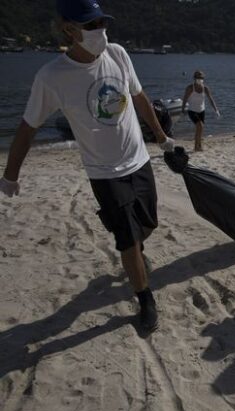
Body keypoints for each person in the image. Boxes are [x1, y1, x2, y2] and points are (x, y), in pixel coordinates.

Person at [0, 0, 175, 331]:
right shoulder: (52, 76)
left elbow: (139, 97)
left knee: (147, 226)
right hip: (104, 173)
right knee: (127, 239)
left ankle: (137, 251)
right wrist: (10, 175)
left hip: (138, 160)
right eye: (91, 25)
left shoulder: (119, 55)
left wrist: (163, 139)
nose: (100, 31)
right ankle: (145, 297)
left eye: (101, 23)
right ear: (69, 29)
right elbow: (27, 127)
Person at [181, 70, 220, 152]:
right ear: (194, 78)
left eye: (201, 77)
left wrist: (216, 110)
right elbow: (185, 99)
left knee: (200, 129)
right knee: (200, 126)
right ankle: (196, 147)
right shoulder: (190, 88)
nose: (200, 79)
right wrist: (183, 109)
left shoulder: (205, 88)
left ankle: (199, 146)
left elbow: (210, 99)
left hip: (202, 111)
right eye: (198, 77)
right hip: (192, 110)